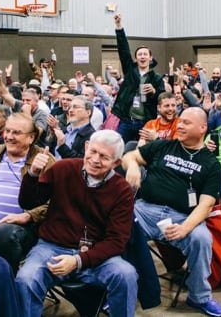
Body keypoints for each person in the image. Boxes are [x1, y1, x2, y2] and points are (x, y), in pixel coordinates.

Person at [15, 130, 137, 317]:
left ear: (116, 163)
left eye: (104, 157)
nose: (95, 160)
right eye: (93, 151)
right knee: (26, 278)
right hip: (52, 248)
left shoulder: (122, 190)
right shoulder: (63, 168)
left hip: (96, 255)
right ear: (86, 146)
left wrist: (77, 261)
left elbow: (116, 241)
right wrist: (32, 174)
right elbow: (28, 203)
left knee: (126, 275)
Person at [123, 107, 221, 317]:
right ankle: (120, 289)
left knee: (201, 239)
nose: (179, 125)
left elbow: (206, 205)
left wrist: (184, 228)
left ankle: (200, 296)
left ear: (202, 127)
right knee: (117, 227)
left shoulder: (211, 164)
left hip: (182, 217)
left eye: (186, 123)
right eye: (180, 122)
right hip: (144, 211)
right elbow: (129, 156)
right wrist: (132, 166)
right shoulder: (163, 146)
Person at [0, 112, 55, 274]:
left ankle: (6, 286)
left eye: (16, 132)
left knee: (3, 234)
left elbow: (55, 201)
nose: (9, 136)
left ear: (31, 137)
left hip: (22, 230)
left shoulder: (44, 161)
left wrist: (27, 216)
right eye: (7, 131)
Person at [111, 14, 164, 143]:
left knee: (143, 151)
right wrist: (119, 26)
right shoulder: (130, 71)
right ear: (136, 59)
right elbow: (123, 49)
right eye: (139, 54)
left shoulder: (156, 78)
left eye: (145, 54)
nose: (142, 56)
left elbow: (163, 98)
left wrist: (154, 92)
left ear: (150, 58)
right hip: (127, 120)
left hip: (146, 122)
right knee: (119, 149)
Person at [53, 95, 96, 159]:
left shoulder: (92, 136)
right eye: (70, 107)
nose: (70, 110)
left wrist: (62, 146)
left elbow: (81, 161)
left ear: (88, 112)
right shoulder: (64, 129)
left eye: (75, 107)